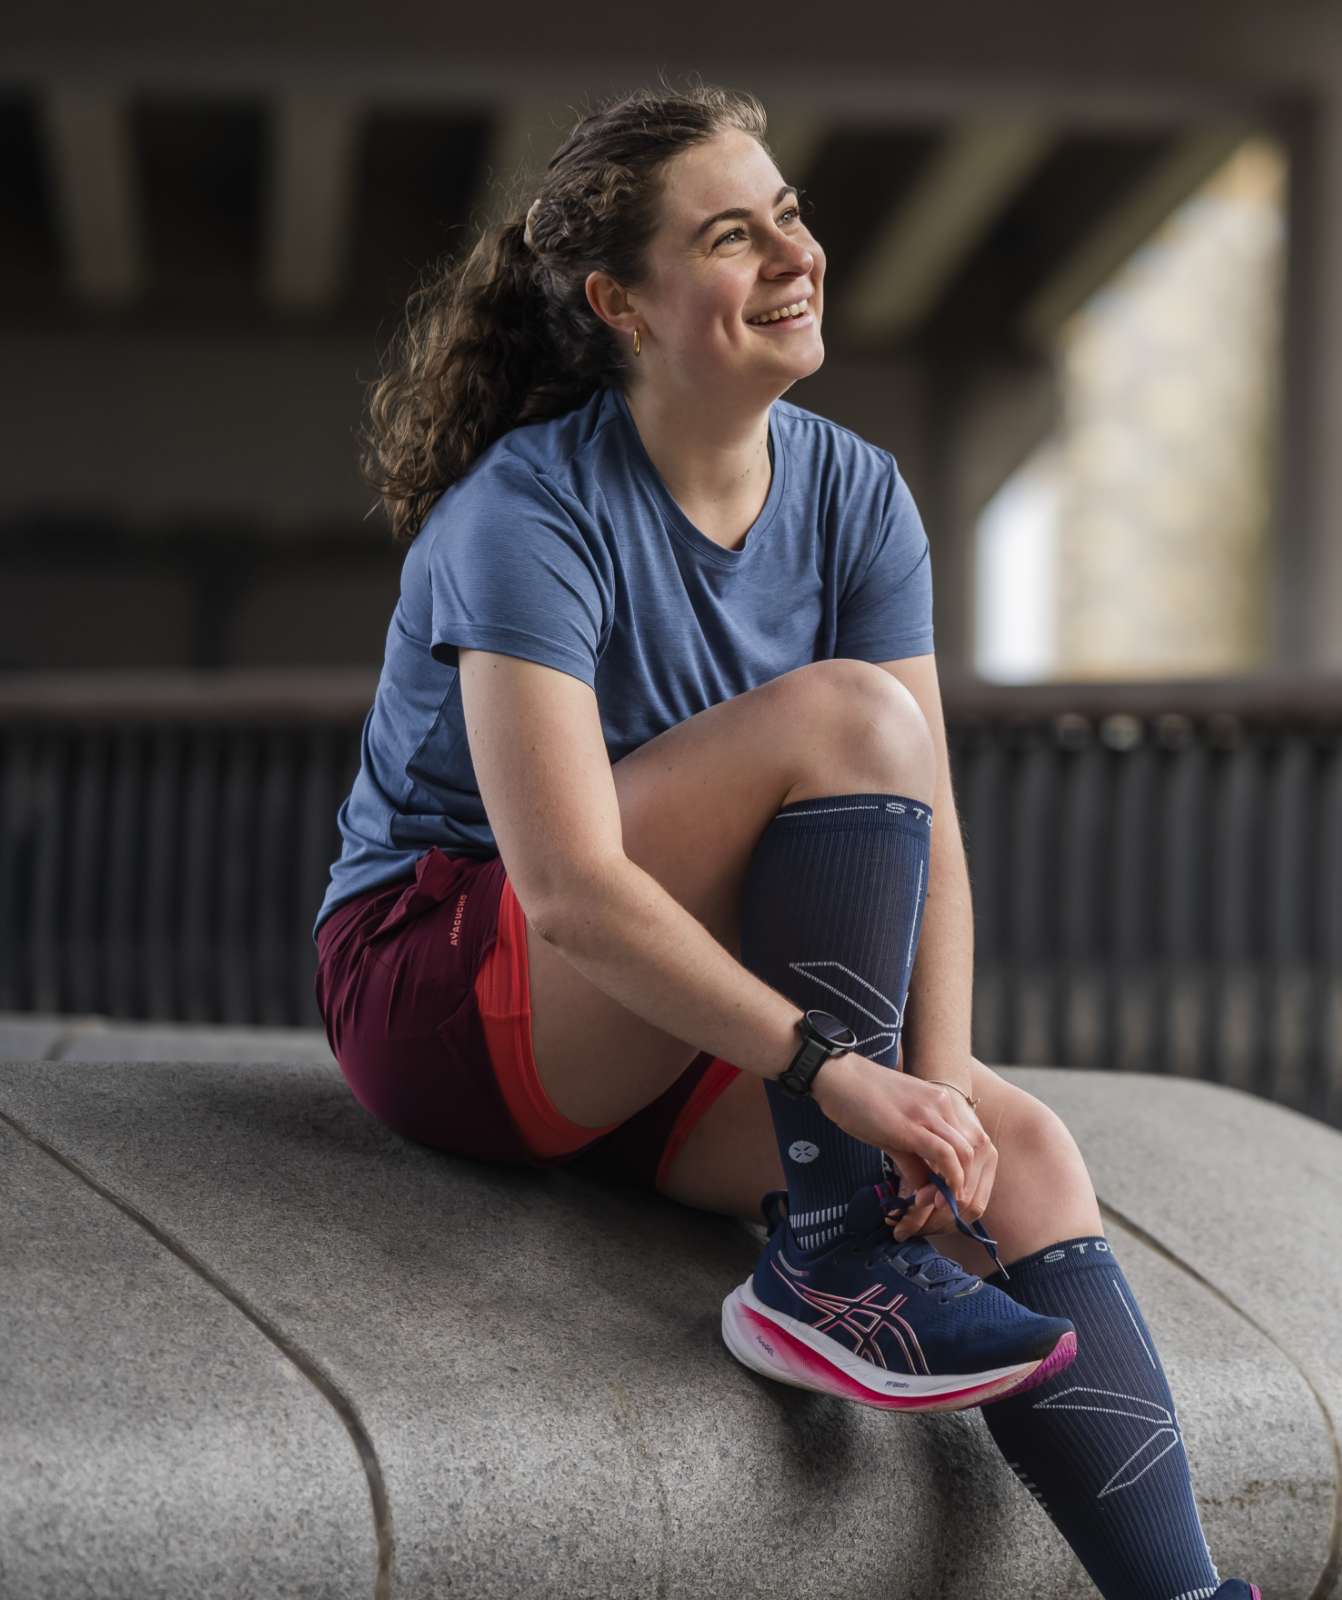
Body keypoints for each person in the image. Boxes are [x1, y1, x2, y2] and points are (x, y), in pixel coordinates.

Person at [311, 81, 1262, 1600]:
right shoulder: (525, 510)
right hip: (456, 991)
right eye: (735, 238)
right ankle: (827, 1258)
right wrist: (836, 1077)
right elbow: (563, 890)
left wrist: (932, 1102)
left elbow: (928, 833)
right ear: (623, 303)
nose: (794, 256)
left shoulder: (858, 495)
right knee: (848, 721)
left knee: (1018, 1152)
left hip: (673, 1018)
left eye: (793, 217)